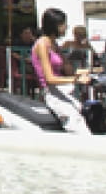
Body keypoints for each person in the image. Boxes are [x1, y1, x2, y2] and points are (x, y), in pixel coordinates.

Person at [31, 8, 93, 136]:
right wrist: (76, 79)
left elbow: (67, 68)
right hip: (52, 92)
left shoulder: (54, 43)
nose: (66, 27)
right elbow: (50, 78)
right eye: (64, 24)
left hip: (63, 90)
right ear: (55, 26)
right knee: (79, 129)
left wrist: (85, 71)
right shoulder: (42, 45)